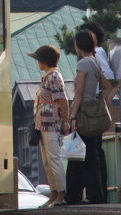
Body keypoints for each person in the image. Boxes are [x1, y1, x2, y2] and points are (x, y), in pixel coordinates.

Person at [65, 28, 115, 205]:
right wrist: (102, 101)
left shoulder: (83, 64)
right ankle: (82, 194)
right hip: (94, 111)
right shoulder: (95, 62)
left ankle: (79, 195)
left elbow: (78, 91)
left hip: (83, 112)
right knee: (89, 155)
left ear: (78, 45)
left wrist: (72, 116)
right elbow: (107, 86)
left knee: (80, 156)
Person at [29, 44, 69, 206]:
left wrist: (65, 121)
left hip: (51, 124)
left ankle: (61, 194)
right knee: (47, 161)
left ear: (44, 61)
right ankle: (54, 193)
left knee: (54, 159)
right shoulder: (48, 76)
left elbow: (63, 100)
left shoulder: (54, 77)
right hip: (43, 125)